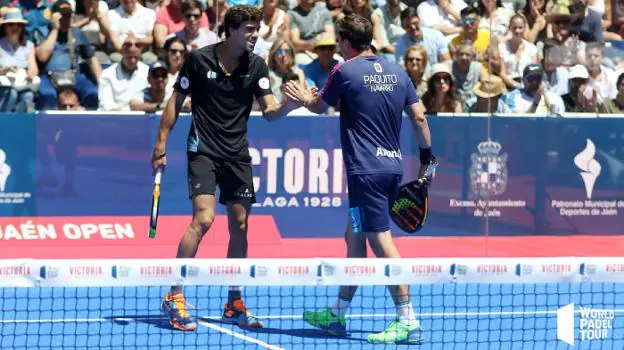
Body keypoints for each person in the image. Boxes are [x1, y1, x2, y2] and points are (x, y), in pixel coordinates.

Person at [283, 13, 434, 344]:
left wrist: (302, 96)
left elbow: (318, 107)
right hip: (392, 167)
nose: (337, 46)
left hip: (365, 172)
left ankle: (406, 318)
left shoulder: (344, 70)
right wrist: (427, 157)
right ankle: (337, 313)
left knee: (381, 241)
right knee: (354, 235)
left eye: (339, 40)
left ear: (347, 43)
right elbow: (419, 117)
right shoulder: (398, 72)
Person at [151, 5, 299, 331]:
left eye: (256, 29)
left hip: (237, 154)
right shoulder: (199, 60)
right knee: (203, 219)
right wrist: (160, 146)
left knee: (241, 225)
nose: (254, 35)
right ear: (230, 30)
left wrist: (289, 104)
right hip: (202, 150)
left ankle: (234, 302)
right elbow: (174, 103)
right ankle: (174, 294)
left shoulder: (257, 65)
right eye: (248, 29)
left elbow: (270, 111)